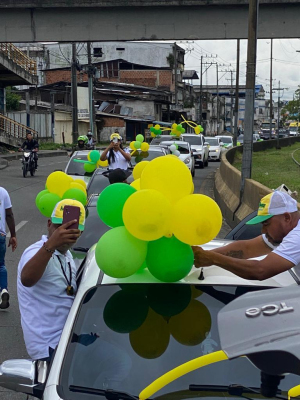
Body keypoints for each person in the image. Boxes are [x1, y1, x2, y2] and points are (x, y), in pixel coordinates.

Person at [17, 199, 85, 362]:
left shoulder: (67, 255)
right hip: (48, 346)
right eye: (59, 227)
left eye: (71, 230)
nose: (64, 234)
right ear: (49, 224)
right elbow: (27, 279)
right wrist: (51, 244)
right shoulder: (34, 252)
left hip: (67, 340)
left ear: (80, 232)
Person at [193, 191, 300, 281]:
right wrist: (200, 256)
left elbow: (260, 271)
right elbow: (246, 249)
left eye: (266, 224)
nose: (263, 231)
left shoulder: (297, 237)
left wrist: (213, 259)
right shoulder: (283, 232)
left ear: (287, 218)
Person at [0, 187, 17, 309]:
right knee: (1, 265)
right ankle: (4, 290)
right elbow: (9, 215)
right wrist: (13, 235)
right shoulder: (3, 192)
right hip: (0, 235)